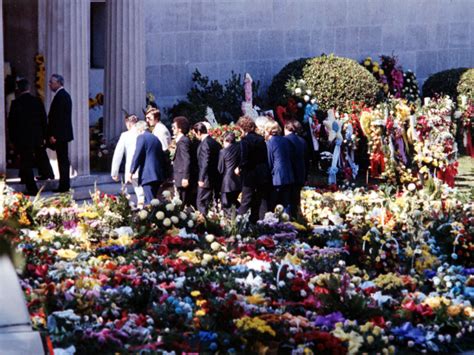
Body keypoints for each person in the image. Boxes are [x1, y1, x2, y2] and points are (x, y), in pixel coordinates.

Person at [7, 78, 50, 195]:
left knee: (26, 160)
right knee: (29, 159)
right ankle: (27, 177)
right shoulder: (37, 101)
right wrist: (44, 135)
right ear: (28, 88)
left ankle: (32, 188)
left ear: (19, 90)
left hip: (22, 138)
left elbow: (11, 123)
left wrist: (12, 139)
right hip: (36, 137)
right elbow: (44, 119)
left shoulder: (16, 103)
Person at [236, 116, 271, 223]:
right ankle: (261, 223)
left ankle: (238, 224)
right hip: (262, 173)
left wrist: (239, 168)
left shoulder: (245, 141)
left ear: (242, 128)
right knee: (260, 200)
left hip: (249, 174)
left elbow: (244, 159)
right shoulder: (261, 139)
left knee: (246, 200)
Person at [110, 114, 145, 207]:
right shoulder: (143, 133)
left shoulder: (125, 135)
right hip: (145, 168)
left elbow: (118, 154)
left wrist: (114, 172)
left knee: (137, 192)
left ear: (128, 123)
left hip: (131, 169)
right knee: (142, 193)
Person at [47, 74, 73, 193]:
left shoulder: (61, 96)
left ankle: (63, 186)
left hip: (60, 135)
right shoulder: (63, 95)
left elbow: (59, 119)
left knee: (62, 160)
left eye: (51, 82)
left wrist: (54, 135)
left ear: (58, 83)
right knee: (63, 160)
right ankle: (64, 184)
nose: (49, 84)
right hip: (63, 134)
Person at [127, 121, 164, 204]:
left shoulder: (141, 137)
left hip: (147, 175)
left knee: (150, 203)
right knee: (154, 200)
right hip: (157, 175)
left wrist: (131, 172)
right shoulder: (155, 138)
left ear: (139, 129)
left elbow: (137, 155)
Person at [265, 120, 295, 214]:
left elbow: (270, 161)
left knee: (274, 202)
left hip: (276, 176)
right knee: (286, 202)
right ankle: (287, 224)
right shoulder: (286, 140)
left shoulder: (270, 143)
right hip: (288, 173)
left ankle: (274, 224)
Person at [193, 122, 221, 215]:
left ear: (199, 132)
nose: (195, 136)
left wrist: (201, 179)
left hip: (206, 178)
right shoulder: (214, 142)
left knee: (201, 202)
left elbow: (205, 162)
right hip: (215, 176)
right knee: (209, 202)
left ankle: (203, 224)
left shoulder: (205, 144)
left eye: (195, 134)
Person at [284, 120, 309, 218]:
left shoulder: (285, 140)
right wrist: (305, 176)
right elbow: (306, 160)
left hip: (288, 173)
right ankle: (296, 219)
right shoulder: (303, 141)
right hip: (300, 173)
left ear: (287, 128)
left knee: (286, 199)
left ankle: (287, 221)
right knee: (296, 199)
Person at [171, 116, 197, 207]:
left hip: (182, 177)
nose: (172, 129)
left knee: (183, 203)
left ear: (180, 129)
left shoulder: (183, 141)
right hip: (180, 176)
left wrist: (185, 177)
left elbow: (187, 159)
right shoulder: (182, 141)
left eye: (174, 127)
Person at [218, 132, 241, 216]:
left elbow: (220, 169)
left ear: (226, 141)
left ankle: (232, 223)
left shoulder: (223, 152)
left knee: (226, 205)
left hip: (227, 182)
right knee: (234, 202)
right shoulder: (239, 148)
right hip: (238, 181)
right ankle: (240, 217)